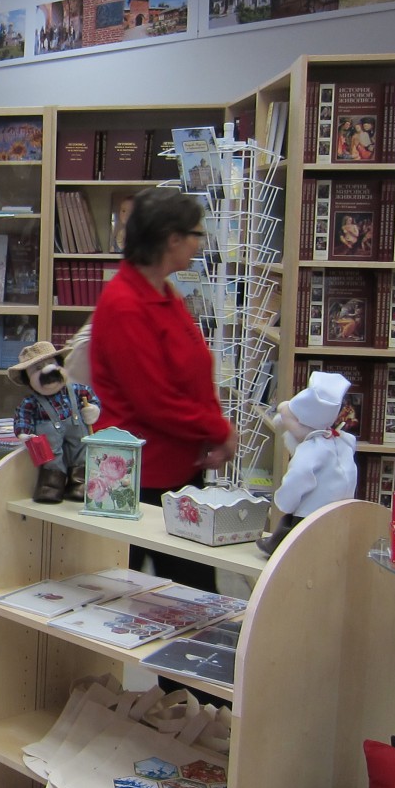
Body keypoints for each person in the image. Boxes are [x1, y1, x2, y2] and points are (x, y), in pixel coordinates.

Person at [90, 188, 236, 590]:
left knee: (191, 598)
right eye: (196, 234)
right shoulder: (125, 303)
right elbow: (153, 400)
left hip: (175, 473)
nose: (198, 244)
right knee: (137, 596)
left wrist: (211, 429)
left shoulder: (163, 292)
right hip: (139, 480)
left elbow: (192, 371)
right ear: (172, 239)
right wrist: (218, 429)